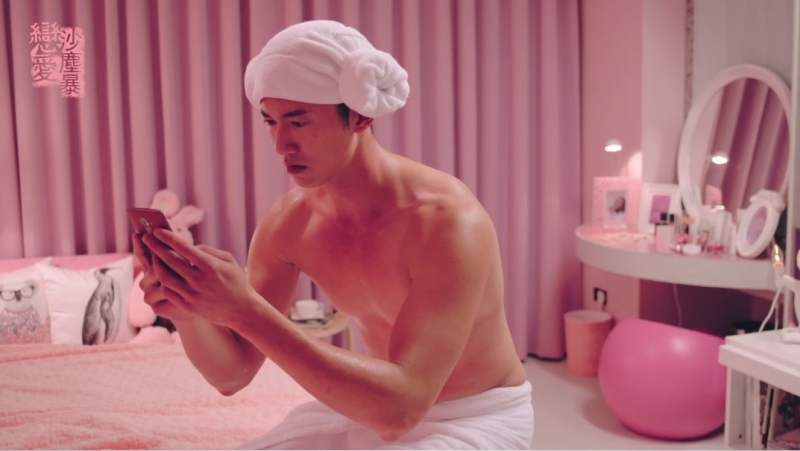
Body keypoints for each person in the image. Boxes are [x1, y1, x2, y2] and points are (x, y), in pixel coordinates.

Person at [133, 20, 532, 449]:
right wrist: (187, 311)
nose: (281, 144)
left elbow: (404, 408)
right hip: (370, 405)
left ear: (360, 116)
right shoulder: (289, 223)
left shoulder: (447, 222)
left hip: (473, 415)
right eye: (271, 122)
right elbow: (234, 374)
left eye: (299, 122)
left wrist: (246, 310)